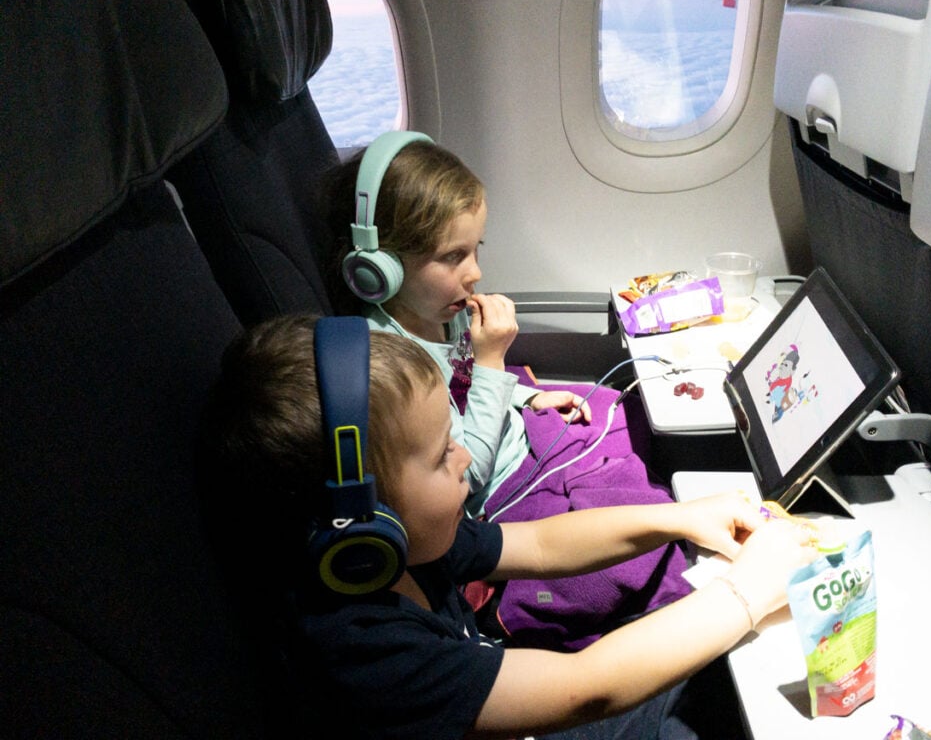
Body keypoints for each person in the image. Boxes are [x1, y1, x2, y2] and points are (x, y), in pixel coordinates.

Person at [203, 314, 817, 740]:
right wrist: (746, 592)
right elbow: (587, 689)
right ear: (360, 520)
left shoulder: (406, 548)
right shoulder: (362, 647)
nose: (467, 456)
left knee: (704, 648)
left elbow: (541, 544)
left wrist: (679, 517)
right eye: (444, 453)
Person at [322, 132, 690, 650]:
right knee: (623, 562)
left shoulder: (432, 312)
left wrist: (524, 396)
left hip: (516, 437)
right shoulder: (390, 360)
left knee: (619, 408)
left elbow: (465, 379)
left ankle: (654, 511)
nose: (475, 273)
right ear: (378, 269)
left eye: (475, 250)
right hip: (496, 492)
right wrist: (494, 360)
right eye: (452, 257)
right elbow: (465, 478)